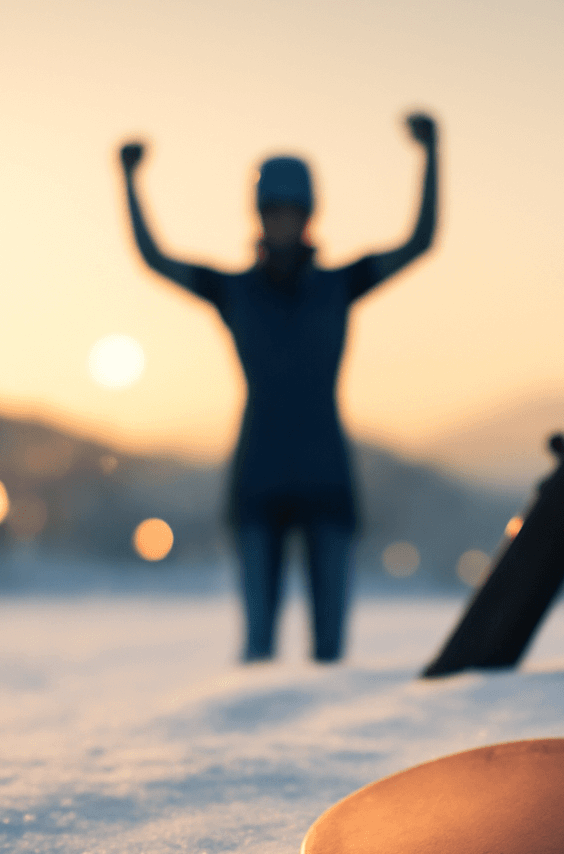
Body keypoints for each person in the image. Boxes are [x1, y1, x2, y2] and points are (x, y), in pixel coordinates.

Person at [119, 113, 438, 663]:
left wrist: (432, 153)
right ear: (260, 215)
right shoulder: (233, 290)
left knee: (330, 655)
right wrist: (129, 179)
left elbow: (419, 242)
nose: (284, 221)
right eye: (274, 211)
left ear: (310, 215)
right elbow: (155, 258)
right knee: (258, 649)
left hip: (327, 481)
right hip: (258, 482)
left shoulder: (341, 284)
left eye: (293, 211)